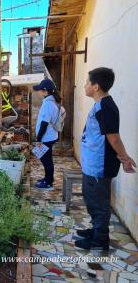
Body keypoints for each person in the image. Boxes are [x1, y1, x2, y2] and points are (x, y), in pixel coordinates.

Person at [75, 67, 136, 250]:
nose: (84, 85)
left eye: (87, 82)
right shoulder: (100, 104)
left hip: (99, 165)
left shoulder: (107, 106)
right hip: (92, 164)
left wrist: (124, 159)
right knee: (91, 199)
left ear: (96, 86)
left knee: (99, 203)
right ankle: (95, 230)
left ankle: (100, 240)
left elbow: (113, 137)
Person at [33, 79, 62, 191]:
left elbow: (44, 124)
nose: (38, 92)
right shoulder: (50, 102)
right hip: (49, 136)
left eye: (40, 90)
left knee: (46, 160)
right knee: (46, 159)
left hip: (46, 137)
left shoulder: (49, 104)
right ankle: (47, 178)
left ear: (45, 91)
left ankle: (48, 182)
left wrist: (38, 139)